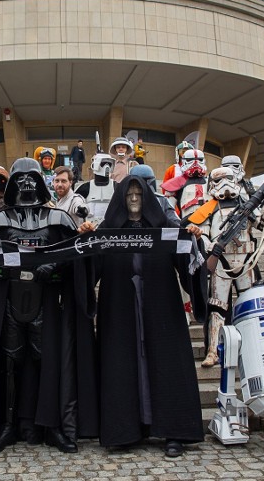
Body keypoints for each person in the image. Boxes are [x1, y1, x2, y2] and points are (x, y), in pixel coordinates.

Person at [0, 158, 99, 455]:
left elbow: (74, 257)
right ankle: (7, 426)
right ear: (13, 183)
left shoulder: (59, 219)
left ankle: (50, 426)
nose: (26, 183)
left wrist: (54, 265)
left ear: (41, 181)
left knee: (47, 362)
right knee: (9, 364)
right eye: (20, 178)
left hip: (47, 300)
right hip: (9, 298)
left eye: (31, 177)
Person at [83, 176, 204, 458]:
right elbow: (91, 269)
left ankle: (174, 431)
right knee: (122, 363)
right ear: (121, 200)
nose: (134, 199)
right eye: (129, 195)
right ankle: (125, 430)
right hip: (120, 309)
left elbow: (187, 262)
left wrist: (192, 239)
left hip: (161, 307)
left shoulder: (163, 228)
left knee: (166, 362)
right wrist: (86, 241)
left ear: (147, 198)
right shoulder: (109, 231)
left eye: (139, 194)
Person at [184, 166, 259, 367]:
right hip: (221, 262)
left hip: (245, 260)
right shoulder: (210, 207)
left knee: (249, 305)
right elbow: (202, 231)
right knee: (217, 308)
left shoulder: (247, 205)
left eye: (228, 178)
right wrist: (211, 246)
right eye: (219, 180)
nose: (224, 184)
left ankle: (253, 346)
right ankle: (213, 350)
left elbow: (261, 222)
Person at [75, 153, 117, 224]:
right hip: (90, 228)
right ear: (95, 165)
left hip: (110, 229)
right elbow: (75, 204)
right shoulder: (84, 187)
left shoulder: (116, 187)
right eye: (104, 163)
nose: (107, 166)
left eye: (109, 164)